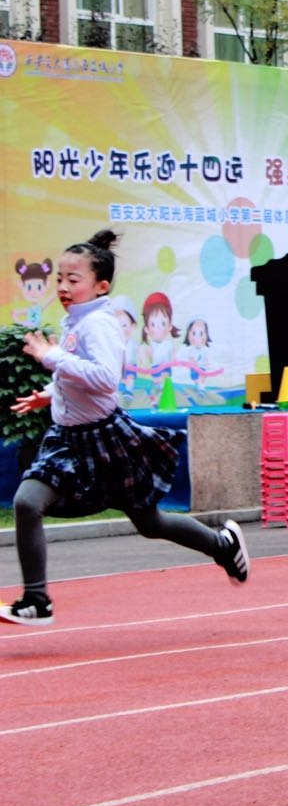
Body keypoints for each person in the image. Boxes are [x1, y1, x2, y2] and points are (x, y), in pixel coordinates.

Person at [2, 230, 249, 627]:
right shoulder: (75, 322)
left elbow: (103, 379)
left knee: (150, 523)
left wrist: (53, 357)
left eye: (73, 279)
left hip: (104, 440)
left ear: (100, 286)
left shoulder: (99, 324)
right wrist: (49, 394)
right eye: (60, 279)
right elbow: (77, 378)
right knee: (28, 503)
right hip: (68, 439)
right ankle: (36, 600)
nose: (63, 287)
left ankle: (222, 544)